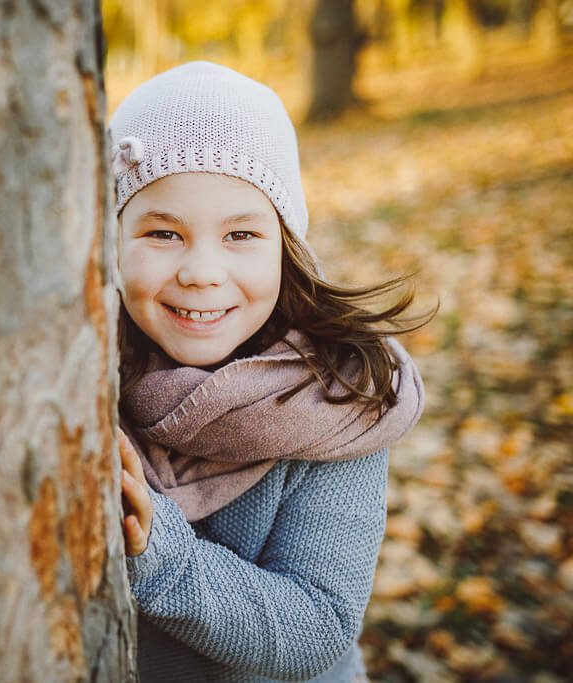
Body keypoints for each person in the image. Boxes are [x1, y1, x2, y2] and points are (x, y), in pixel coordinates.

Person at [110, 62, 433, 682]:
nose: (201, 273)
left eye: (240, 234)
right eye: (163, 233)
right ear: (112, 240)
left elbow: (319, 625)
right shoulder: (81, 373)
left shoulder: (335, 398)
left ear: (286, 246)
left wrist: (159, 553)